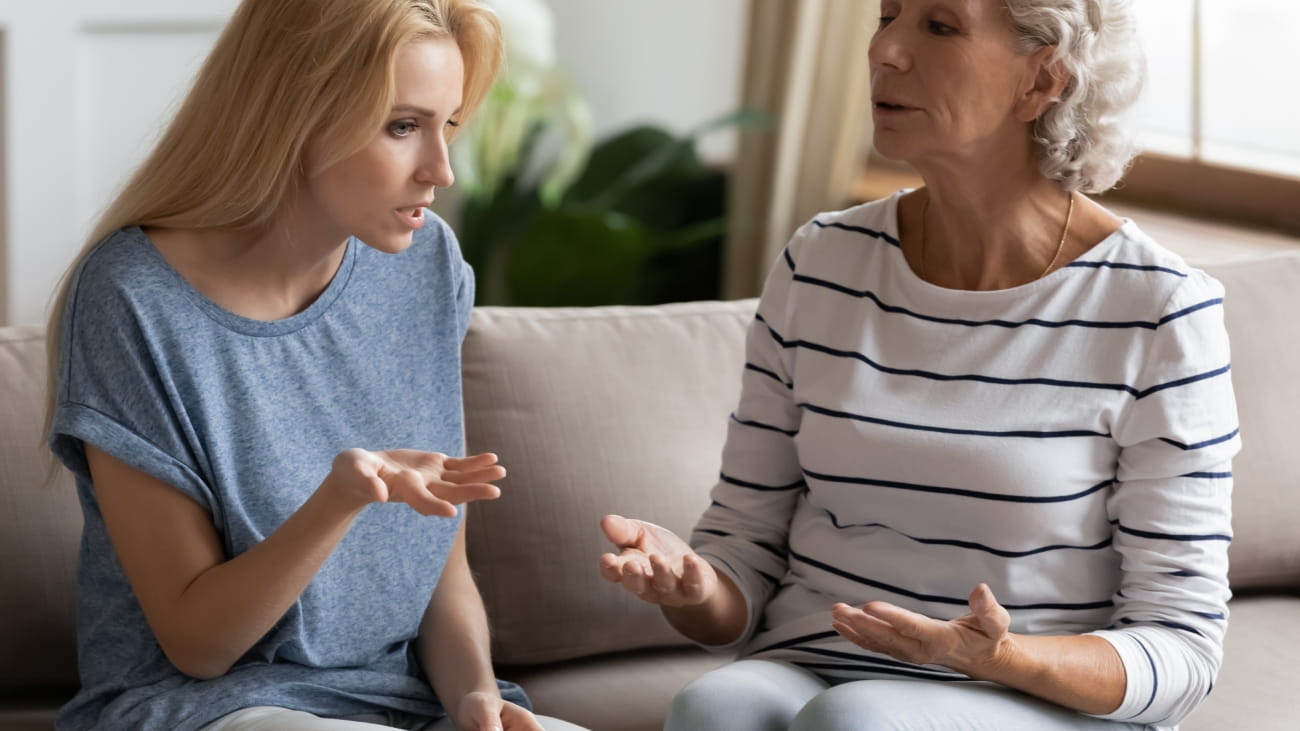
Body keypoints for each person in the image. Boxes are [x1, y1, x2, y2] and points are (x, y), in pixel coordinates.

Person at [600, 1, 1237, 729]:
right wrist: (695, 584)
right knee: (714, 704)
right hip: (818, 666)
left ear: (1043, 81)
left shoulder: (1159, 308)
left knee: (859, 720)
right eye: (888, 14)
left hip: (1034, 696)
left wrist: (1003, 657)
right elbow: (743, 551)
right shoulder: (823, 261)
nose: (886, 49)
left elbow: (1183, 649)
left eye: (939, 25)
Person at [43, 1, 586, 730]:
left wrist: (476, 696)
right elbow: (198, 643)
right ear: (296, 111)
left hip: (404, 703)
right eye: (403, 126)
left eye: (447, 124)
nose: (442, 170)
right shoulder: (131, 299)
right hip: (203, 706)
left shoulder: (427, 263)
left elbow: (438, 567)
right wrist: (339, 500)